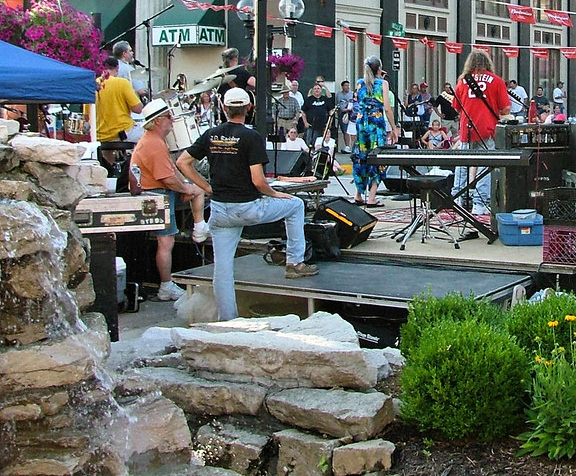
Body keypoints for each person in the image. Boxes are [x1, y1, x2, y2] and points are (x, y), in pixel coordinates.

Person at [176, 88, 318, 320]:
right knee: (296, 206)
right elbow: (258, 181)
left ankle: (227, 321)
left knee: (222, 271)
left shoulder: (211, 134)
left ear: (223, 108)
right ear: (249, 108)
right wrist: (275, 194)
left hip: (220, 210)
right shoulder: (251, 137)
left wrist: (206, 187)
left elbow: (183, 162)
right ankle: (294, 262)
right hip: (248, 208)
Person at [130, 99, 207, 301]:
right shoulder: (153, 144)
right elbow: (168, 178)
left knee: (197, 190)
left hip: (160, 191)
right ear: (156, 122)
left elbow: (172, 171)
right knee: (166, 242)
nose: (172, 120)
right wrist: (185, 188)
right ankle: (166, 285)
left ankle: (200, 228)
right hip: (156, 195)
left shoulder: (155, 142)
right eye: (168, 117)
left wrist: (187, 186)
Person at [452, 49, 511, 215]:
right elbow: (506, 108)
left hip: (467, 128)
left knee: (463, 165)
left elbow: (456, 107)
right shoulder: (496, 80)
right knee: (486, 167)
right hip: (488, 128)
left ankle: (458, 199)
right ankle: (480, 203)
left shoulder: (462, 81)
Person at [349, 56, 399, 207]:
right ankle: (371, 197)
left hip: (362, 122)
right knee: (377, 158)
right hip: (376, 122)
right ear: (379, 68)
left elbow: (358, 100)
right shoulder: (383, 83)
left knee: (361, 157)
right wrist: (394, 128)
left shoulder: (359, 83)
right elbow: (388, 109)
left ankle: (358, 194)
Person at [95, 56, 144, 144]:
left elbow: (87, 117)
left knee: (108, 151)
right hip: (123, 133)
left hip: (101, 135)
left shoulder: (93, 85)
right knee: (151, 132)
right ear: (117, 68)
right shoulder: (122, 83)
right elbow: (138, 109)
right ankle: (136, 157)